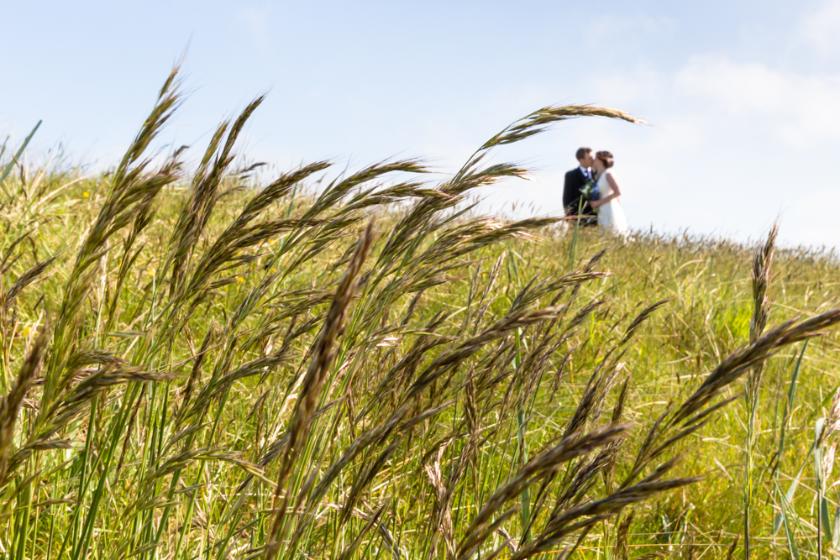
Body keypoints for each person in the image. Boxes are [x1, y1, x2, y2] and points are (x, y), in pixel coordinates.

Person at [590, 150, 629, 236]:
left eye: (595, 158)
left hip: (609, 208)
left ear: (600, 160)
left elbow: (618, 192)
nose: (594, 161)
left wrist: (598, 202)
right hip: (602, 210)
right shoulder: (599, 176)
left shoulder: (608, 173)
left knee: (611, 233)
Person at [563, 147, 598, 225]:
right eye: (590, 158)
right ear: (581, 160)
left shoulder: (597, 174)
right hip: (578, 218)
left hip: (597, 218)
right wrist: (569, 216)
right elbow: (567, 198)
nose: (593, 160)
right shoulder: (570, 175)